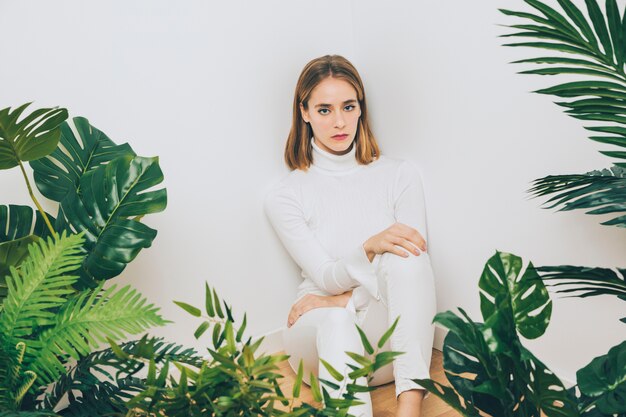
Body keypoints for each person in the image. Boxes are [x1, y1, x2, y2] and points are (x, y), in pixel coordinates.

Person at [264, 54, 437, 417]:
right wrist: (369, 248)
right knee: (337, 319)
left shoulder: (400, 175)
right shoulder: (286, 195)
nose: (340, 121)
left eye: (348, 106)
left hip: (388, 345)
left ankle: (410, 408)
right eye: (324, 110)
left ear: (361, 108)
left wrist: (336, 299)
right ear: (304, 112)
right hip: (317, 340)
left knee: (410, 262)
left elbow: (409, 275)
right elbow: (325, 279)